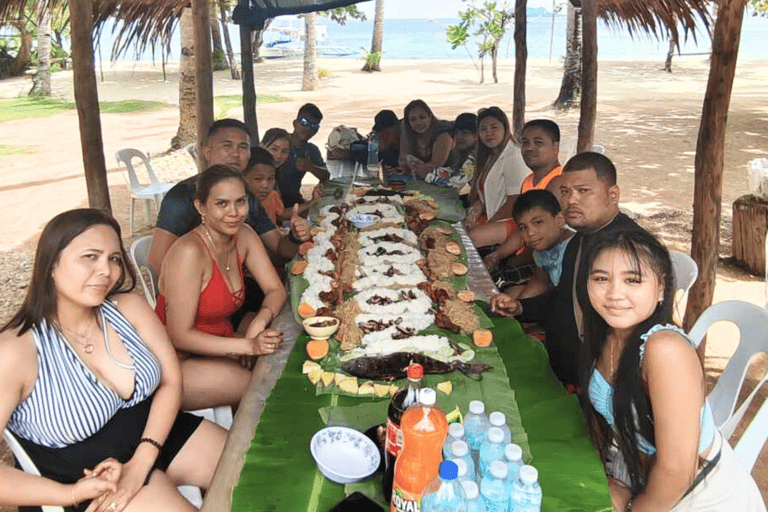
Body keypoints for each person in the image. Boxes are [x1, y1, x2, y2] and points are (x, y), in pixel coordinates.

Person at [0, 209, 226, 512]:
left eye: (114, 258)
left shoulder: (128, 308)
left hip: (154, 433)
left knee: (254, 470)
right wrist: (71, 494)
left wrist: (144, 458)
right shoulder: (16, 350)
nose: (106, 270)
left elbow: (172, 380)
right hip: (83, 476)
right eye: (90, 257)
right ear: (51, 263)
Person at [577, 229, 765, 511]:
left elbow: (676, 473)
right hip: (637, 475)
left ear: (661, 288)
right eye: (601, 278)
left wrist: (630, 507)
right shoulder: (606, 333)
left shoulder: (665, 350)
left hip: (697, 497)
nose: (615, 293)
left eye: (633, 280)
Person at [490, 152, 645, 388]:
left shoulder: (627, 249)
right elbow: (562, 297)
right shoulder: (580, 240)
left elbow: (626, 342)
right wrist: (521, 307)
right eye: (565, 192)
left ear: (613, 195)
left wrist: (588, 392)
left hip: (592, 387)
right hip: (558, 368)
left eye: (583, 191)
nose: (572, 200)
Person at [148, 119, 308, 327]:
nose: (235, 153)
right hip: (197, 308)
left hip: (235, 295)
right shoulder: (183, 196)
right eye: (227, 146)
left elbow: (279, 248)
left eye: (243, 147)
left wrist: (295, 236)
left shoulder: (245, 196)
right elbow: (157, 262)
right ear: (207, 152)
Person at [155, 166, 287, 411]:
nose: (234, 213)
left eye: (240, 202)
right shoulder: (189, 253)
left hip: (220, 345)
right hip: (173, 362)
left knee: (281, 364)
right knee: (265, 386)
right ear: (201, 207)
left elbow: (276, 290)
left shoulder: (244, 236)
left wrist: (259, 322)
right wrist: (247, 345)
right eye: (222, 204)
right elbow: (179, 336)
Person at [482, 119, 563, 272]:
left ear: (555, 147)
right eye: (525, 142)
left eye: (538, 142)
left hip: (543, 264)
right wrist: (497, 256)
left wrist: (512, 265)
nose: (529, 148)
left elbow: (542, 241)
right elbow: (521, 230)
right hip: (522, 252)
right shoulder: (528, 181)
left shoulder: (558, 183)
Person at [490, 189, 574, 301]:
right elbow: (539, 282)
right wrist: (518, 305)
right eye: (523, 228)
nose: (530, 233)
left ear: (559, 220)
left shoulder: (575, 247)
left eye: (538, 223)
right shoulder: (541, 252)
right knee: (509, 295)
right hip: (557, 297)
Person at [465, 107, 528, 249]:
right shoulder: (491, 155)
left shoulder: (513, 156)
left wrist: (489, 224)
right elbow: (486, 193)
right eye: (483, 129)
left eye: (494, 128)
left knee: (472, 237)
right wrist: (477, 207)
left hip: (512, 220)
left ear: (505, 128)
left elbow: (514, 201)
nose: (489, 134)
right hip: (492, 215)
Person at [252, 142, 322, 223]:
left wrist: (312, 202)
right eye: (257, 179)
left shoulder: (273, 195)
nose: (265, 185)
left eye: (270, 179)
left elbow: (282, 214)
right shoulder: (244, 202)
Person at [276, 103, 330, 207]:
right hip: (272, 202)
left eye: (314, 126)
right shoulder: (279, 143)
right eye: (304, 122)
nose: (308, 129)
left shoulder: (311, 150)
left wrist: (310, 167)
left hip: (294, 201)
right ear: (295, 123)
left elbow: (327, 176)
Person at [398, 99, 454, 179]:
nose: (418, 122)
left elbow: (435, 166)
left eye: (422, 117)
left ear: (430, 117)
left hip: (447, 181)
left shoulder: (443, 136)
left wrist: (413, 165)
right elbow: (402, 162)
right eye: (413, 119)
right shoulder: (407, 135)